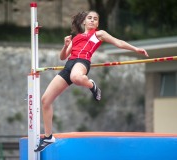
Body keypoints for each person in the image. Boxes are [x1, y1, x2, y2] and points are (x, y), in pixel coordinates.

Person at [34, 11, 149, 152]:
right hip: (68, 65)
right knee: (45, 100)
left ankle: (91, 84)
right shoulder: (76, 38)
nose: (92, 21)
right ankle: (48, 136)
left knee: (76, 78)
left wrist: (135, 48)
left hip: (82, 62)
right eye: (90, 18)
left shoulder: (98, 34)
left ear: (98, 23)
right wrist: (65, 45)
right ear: (84, 21)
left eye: (95, 19)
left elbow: (118, 42)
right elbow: (63, 57)